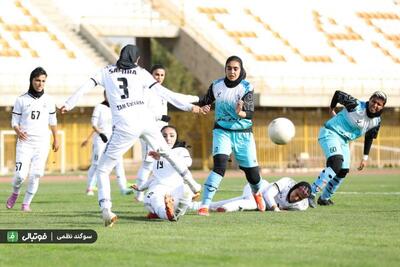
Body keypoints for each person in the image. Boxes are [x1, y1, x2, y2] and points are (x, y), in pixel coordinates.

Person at [60, 44, 202, 227]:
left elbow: (85, 86)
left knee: (103, 170)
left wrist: (68, 104)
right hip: (146, 120)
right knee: (166, 151)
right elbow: (164, 92)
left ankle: (106, 209)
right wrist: (190, 106)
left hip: (126, 125)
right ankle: (193, 184)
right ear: (136, 60)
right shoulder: (141, 72)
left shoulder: (106, 71)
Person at [194, 55, 265, 216]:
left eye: (235, 68)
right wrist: (205, 107)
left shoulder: (246, 87)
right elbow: (206, 101)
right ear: (225, 69)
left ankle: (257, 193)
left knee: (252, 173)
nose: (232, 71)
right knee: (219, 165)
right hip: (222, 131)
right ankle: (204, 205)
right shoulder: (216, 85)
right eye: (229, 68)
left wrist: (240, 112)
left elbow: (250, 113)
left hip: (243, 134)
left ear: (240, 70)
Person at [308, 90, 387, 208]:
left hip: (344, 141)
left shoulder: (377, 121)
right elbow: (338, 94)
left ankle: (324, 198)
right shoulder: (355, 105)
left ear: (382, 107)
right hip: (330, 132)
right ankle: (311, 193)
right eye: (373, 101)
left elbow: (369, 137)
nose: (375, 105)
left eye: (379, 104)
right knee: (336, 163)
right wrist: (332, 108)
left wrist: (365, 158)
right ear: (369, 100)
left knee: (343, 170)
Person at [5, 67, 59, 212]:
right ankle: (15, 193)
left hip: (42, 143)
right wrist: (18, 130)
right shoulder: (21, 99)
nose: (40, 83)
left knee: (36, 174)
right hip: (25, 142)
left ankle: (26, 204)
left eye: (43, 81)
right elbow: (14, 121)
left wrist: (56, 138)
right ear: (31, 80)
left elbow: (53, 121)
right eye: (37, 80)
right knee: (20, 176)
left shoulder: (49, 100)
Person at [133, 125, 197, 221]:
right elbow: (155, 177)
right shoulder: (156, 153)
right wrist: (141, 188)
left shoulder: (181, 151)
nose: (168, 139)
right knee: (151, 199)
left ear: (176, 137)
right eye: (164, 136)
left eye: (172, 136)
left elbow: (188, 163)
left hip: (176, 189)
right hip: (159, 188)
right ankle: (168, 214)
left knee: (186, 191)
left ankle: (168, 212)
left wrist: (167, 156)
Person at [81, 90, 132, 196]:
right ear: (104, 95)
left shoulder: (118, 107)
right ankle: (90, 188)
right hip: (101, 139)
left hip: (114, 139)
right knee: (96, 163)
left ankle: (123, 188)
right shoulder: (99, 107)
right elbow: (94, 124)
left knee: (118, 163)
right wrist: (101, 134)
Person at [135, 64, 169, 202]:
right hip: (149, 131)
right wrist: (159, 117)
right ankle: (138, 195)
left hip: (160, 133)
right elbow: (143, 112)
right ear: (151, 75)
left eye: (162, 75)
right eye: (156, 74)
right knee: (148, 163)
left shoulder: (163, 92)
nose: (159, 77)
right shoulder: (146, 91)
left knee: (161, 162)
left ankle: (158, 190)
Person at [192, 178, 310, 213]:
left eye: (300, 198)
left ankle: (195, 206)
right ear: (294, 188)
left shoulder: (301, 205)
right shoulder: (287, 182)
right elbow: (268, 194)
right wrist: (276, 209)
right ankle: (227, 209)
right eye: (296, 194)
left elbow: (309, 201)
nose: (296, 198)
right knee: (254, 204)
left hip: (261, 201)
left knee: (240, 201)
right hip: (258, 188)